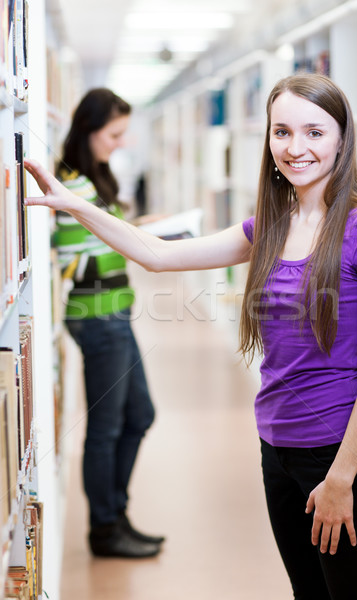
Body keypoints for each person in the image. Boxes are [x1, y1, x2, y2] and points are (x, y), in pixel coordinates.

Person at [25, 73, 357, 599]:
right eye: (282, 132)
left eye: (314, 133)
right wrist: (81, 208)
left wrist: (341, 479)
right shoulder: (269, 224)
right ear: (267, 141)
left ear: (342, 138)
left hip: (338, 456)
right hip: (277, 448)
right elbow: (157, 255)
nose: (296, 148)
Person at [52, 88, 165, 558]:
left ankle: (116, 513)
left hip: (115, 313)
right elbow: (77, 259)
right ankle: (104, 529)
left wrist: (147, 231)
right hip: (96, 317)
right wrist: (131, 242)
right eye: (113, 134)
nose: (119, 143)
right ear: (89, 129)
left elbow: (106, 240)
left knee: (140, 415)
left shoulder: (93, 179)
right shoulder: (68, 183)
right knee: (105, 427)